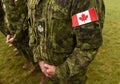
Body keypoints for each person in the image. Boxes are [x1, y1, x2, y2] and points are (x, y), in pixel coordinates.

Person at [28, 0, 105, 84]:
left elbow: (89, 44)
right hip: (47, 67)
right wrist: (39, 58)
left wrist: (61, 71)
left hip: (71, 74)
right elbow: (33, 27)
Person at [2, 0, 39, 74]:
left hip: (23, 32)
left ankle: (43, 71)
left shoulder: (19, 1)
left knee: (32, 50)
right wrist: (9, 32)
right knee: (24, 49)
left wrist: (17, 36)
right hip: (14, 31)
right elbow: (7, 16)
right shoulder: (5, 1)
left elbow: (24, 18)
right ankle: (35, 65)